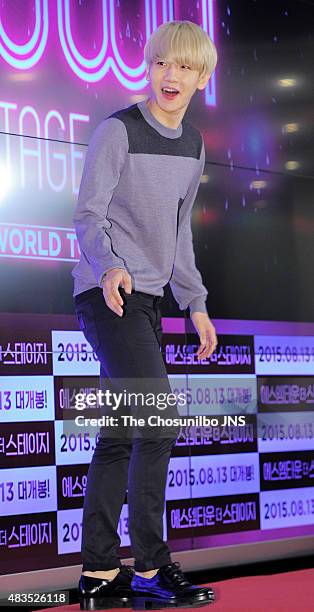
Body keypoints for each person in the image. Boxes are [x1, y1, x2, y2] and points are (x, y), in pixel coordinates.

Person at [72, 19, 218, 610]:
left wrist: (197, 304)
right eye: (160, 63)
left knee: (118, 438)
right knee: (158, 421)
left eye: (183, 66)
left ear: (201, 77)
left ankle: (99, 574)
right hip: (107, 296)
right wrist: (109, 266)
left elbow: (180, 236)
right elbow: (89, 214)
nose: (169, 75)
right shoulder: (119, 130)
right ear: (149, 68)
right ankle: (152, 568)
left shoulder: (193, 145)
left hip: (153, 299)